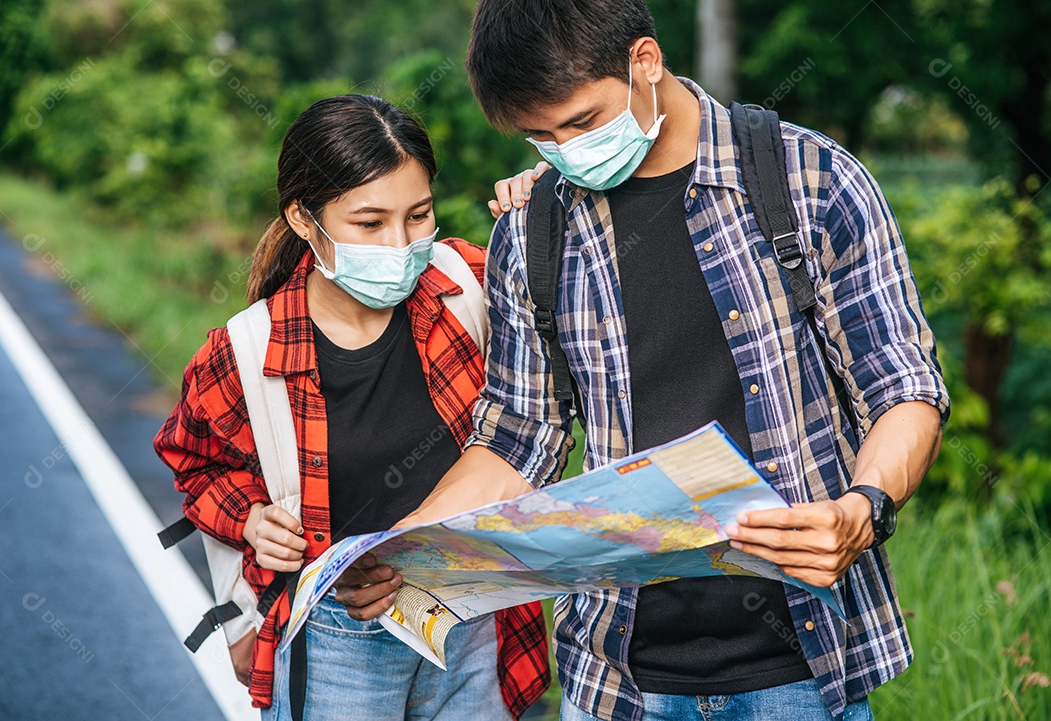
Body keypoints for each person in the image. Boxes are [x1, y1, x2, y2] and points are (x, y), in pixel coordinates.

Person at [342, 2, 951, 720]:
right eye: (539, 135)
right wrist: (405, 546)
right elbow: (515, 437)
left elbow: (902, 387)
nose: (565, 150)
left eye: (582, 122)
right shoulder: (533, 233)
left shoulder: (810, 180)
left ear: (645, 61)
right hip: (618, 677)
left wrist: (863, 506)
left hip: (800, 668)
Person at [153, 94, 550, 720]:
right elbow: (197, 463)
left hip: (469, 616)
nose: (400, 244)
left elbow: (570, 326)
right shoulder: (245, 352)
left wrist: (547, 205)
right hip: (338, 640)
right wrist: (252, 520)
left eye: (419, 215)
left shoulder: (470, 286)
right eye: (370, 223)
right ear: (306, 221)